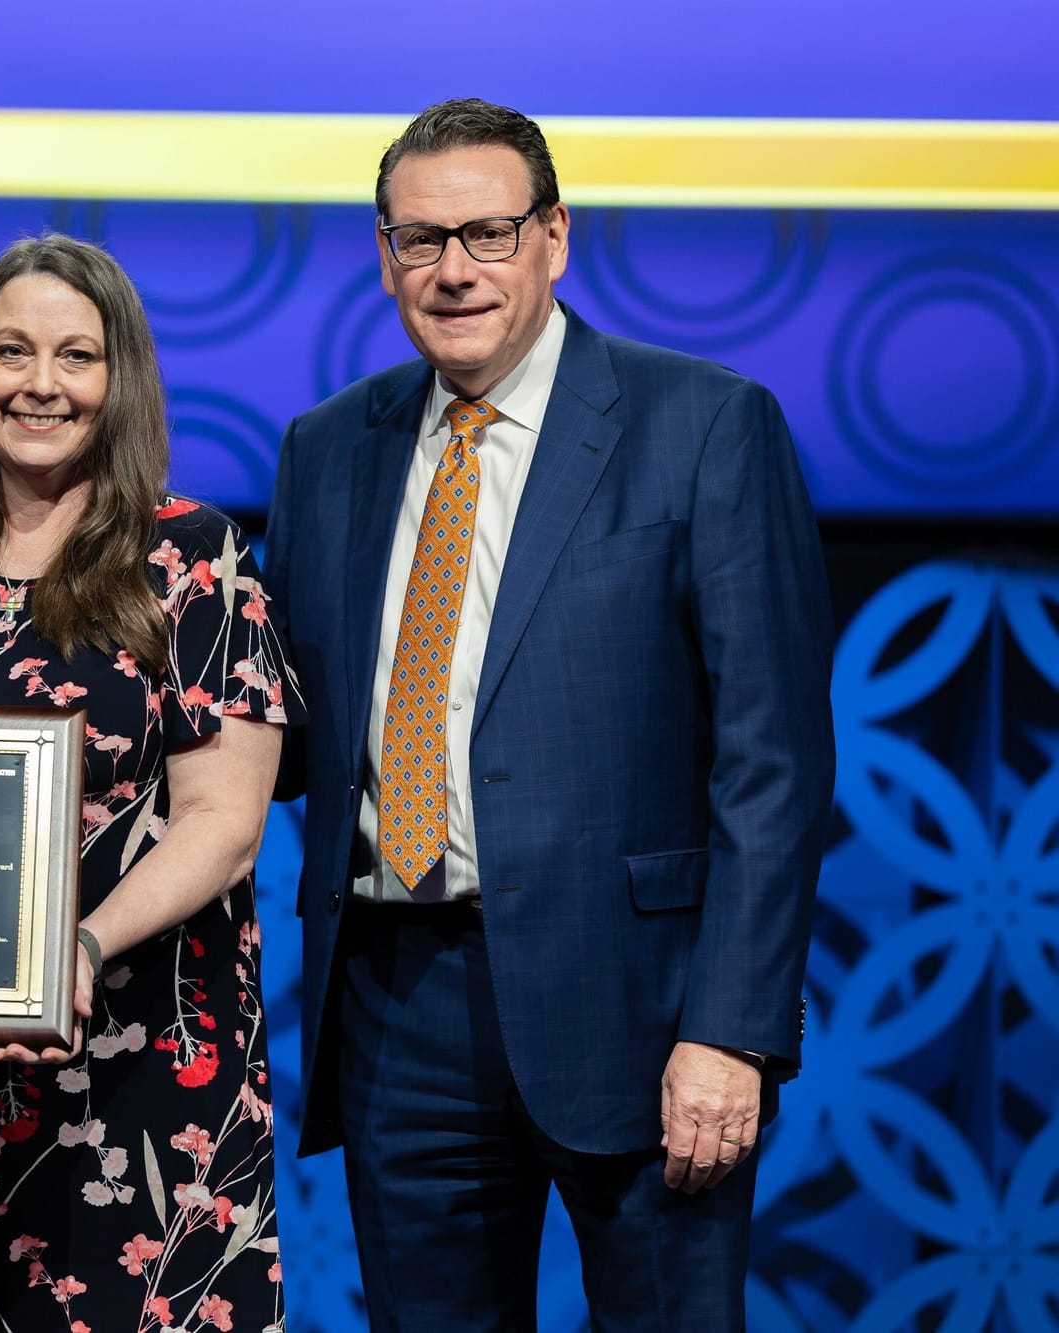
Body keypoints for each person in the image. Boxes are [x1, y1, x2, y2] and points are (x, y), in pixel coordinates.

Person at [265, 99, 835, 1330]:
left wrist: (731, 1034)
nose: (453, 270)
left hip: (640, 1013)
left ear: (553, 237)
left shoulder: (702, 425)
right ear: (382, 256)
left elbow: (772, 767)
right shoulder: (326, 451)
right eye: (420, 240)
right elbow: (273, 728)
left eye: (485, 232)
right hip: (395, 1009)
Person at [0, 233, 301, 1333]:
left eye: (75, 357)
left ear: (117, 378)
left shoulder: (192, 561)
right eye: (12, 352)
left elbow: (225, 825)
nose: (40, 384)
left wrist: (76, 947)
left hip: (143, 1077)